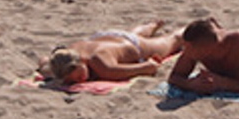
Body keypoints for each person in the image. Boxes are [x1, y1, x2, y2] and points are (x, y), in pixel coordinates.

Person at [39, 19, 184, 84]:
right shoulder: (61, 61)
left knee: (173, 40)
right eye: (71, 81)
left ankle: (195, 26)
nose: (80, 80)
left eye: (79, 76)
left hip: (133, 46)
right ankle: (150, 26)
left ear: (82, 60)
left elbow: (147, 68)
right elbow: (44, 61)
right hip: (107, 38)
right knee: (131, 33)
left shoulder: (102, 65)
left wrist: (150, 64)